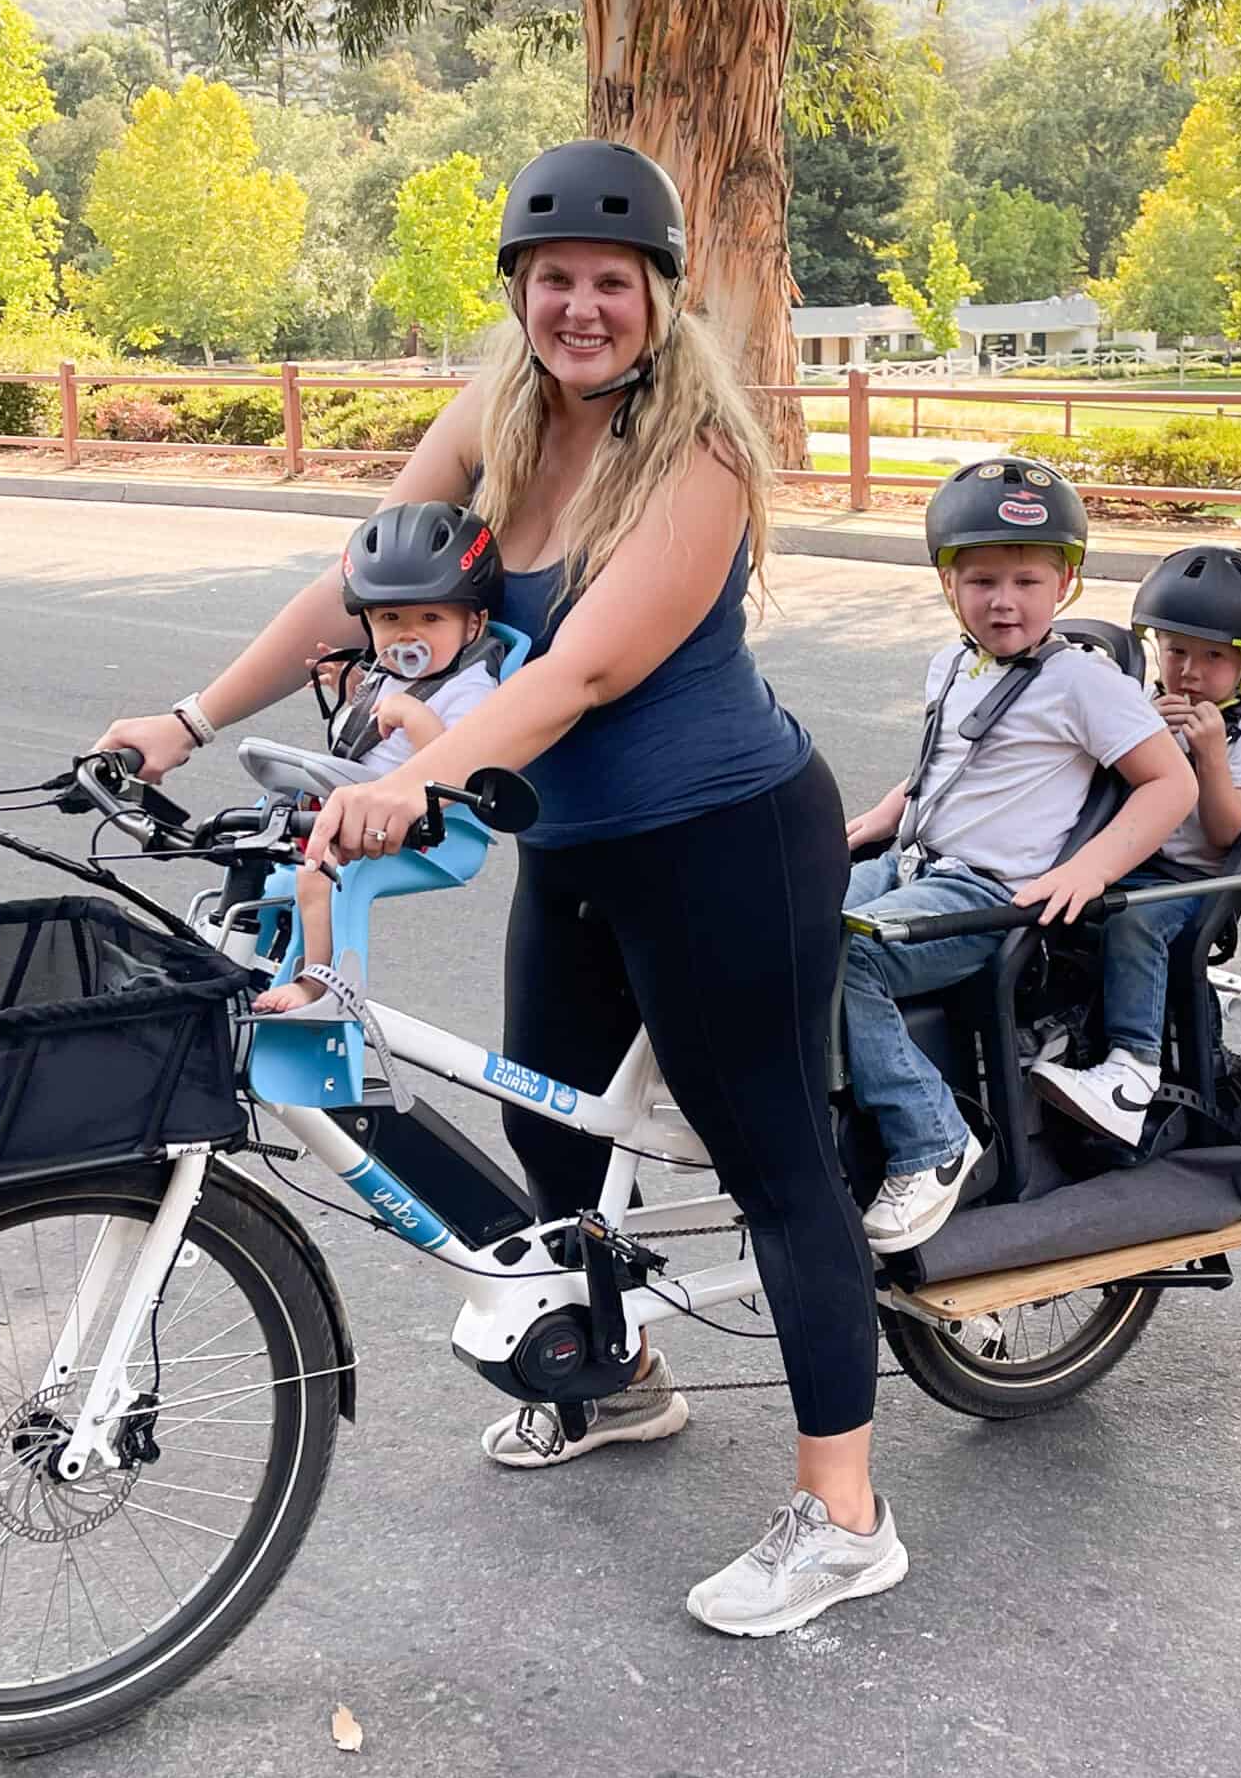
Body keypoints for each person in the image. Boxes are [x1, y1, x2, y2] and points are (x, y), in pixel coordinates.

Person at [97, 139, 901, 1640]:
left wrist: (430, 765)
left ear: (661, 298)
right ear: (519, 292)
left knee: (776, 1162)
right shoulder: (500, 416)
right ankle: (622, 1384)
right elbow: (361, 586)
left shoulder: (702, 457)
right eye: (553, 282)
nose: (579, 308)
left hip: (726, 836)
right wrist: (188, 722)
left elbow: (593, 659)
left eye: (611, 282)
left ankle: (846, 1516)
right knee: (550, 1123)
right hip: (580, 843)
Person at [839, 459, 1195, 1249]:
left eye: (1028, 581)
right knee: (775, 920)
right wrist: (868, 823)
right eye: (983, 581)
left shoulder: (1083, 683)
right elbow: (941, 769)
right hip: (914, 865)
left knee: (845, 957)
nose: (1005, 601)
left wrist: (1087, 868)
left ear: (1065, 582)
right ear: (948, 584)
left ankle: (932, 1143)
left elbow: (1170, 787)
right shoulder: (953, 665)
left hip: (987, 897)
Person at [1034, 546, 1241, 1143]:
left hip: (1192, 883)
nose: (1190, 672)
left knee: (1133, 923)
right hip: (1130, 859)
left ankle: (1132, 1071)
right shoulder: (1144, 710)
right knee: (1052, 898)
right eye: (1175, 651)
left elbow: (1229, 835)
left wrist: (1210, 757)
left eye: (1213, 657)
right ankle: (1057, 1026)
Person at [253, 501, 506, 1015]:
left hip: (436, 830)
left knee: (319, 874)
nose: (407, 635)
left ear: (474, 625)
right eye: (390, 619)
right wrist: (353, 695)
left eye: (431, 618)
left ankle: (321, 984)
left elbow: (457, 762)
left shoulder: (469, 686)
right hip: (359, 809)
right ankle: (253, 964)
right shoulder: (390, 674)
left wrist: (412, 714)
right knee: (261, 859)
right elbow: (376, 739)